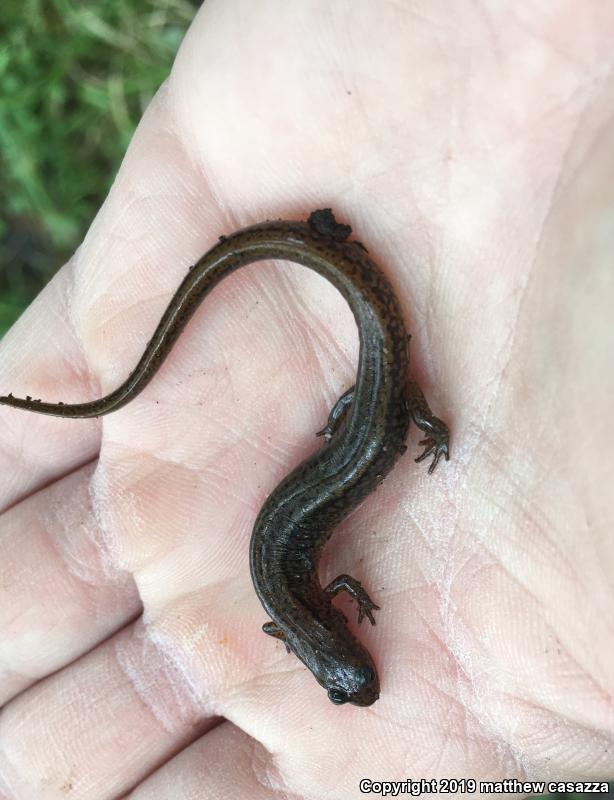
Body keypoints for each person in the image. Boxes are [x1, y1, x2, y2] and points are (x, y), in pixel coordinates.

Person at [0, 2, 613, 797]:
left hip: (374, 422)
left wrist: (419, 432)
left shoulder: (313, 604)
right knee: (378, 415)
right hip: (363, 425)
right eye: (354, 668)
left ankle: (373, 385)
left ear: (335, 647)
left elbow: (345, 590)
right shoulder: (290, 616)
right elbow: (314, 605)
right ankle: (352, 361)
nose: (357, 663)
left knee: (394, 416)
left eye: (345, 674)